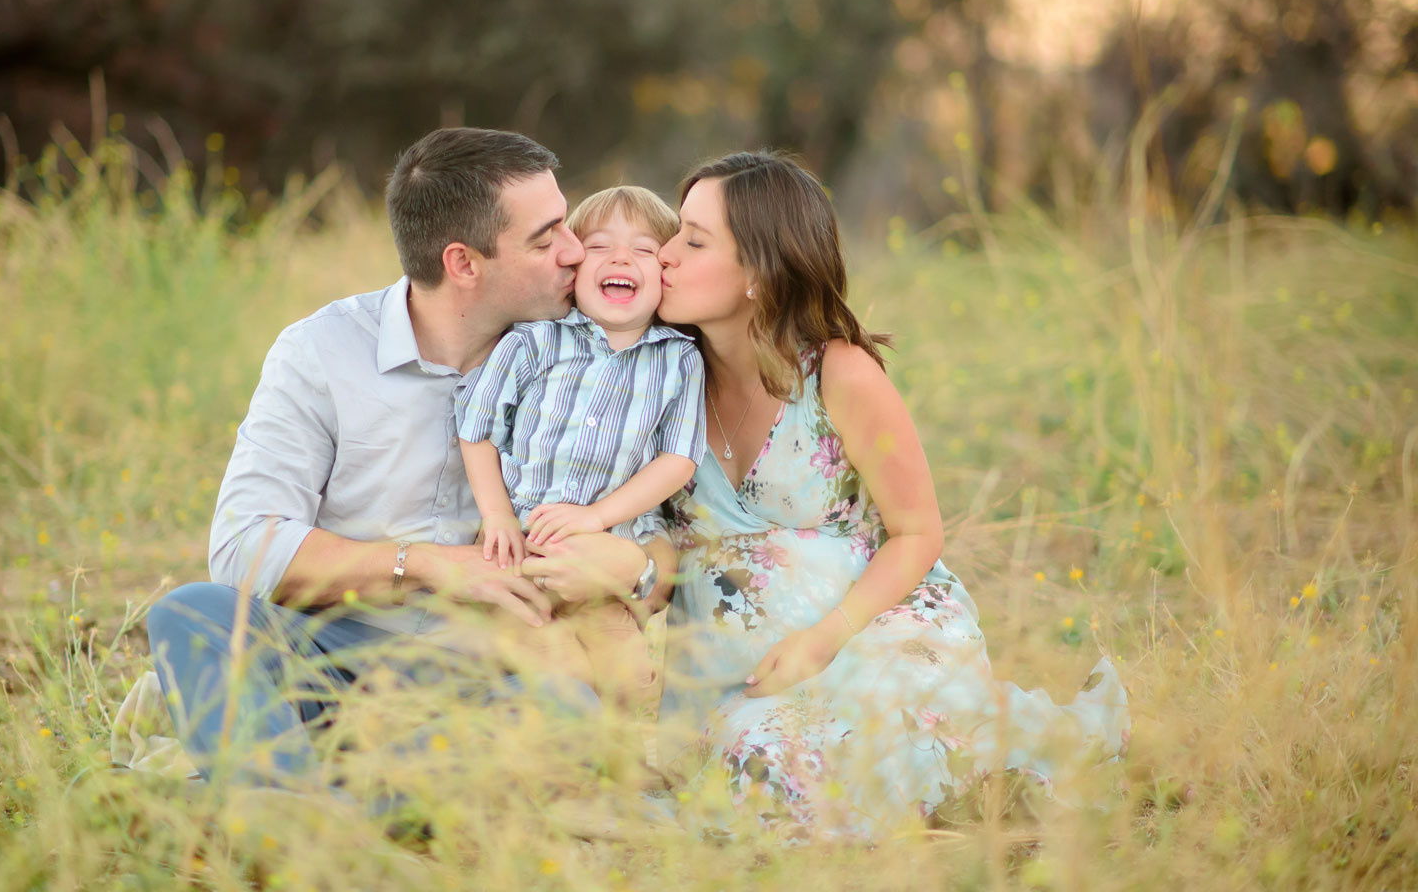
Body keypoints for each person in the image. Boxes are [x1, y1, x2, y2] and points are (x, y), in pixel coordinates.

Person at [145, 128, 674, 792]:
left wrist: (630, 567)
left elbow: (669, 553)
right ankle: (312, 805)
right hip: (331, 662)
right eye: (545, 239)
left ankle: (275, 810)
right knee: (191, 612)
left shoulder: (603, 356)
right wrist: (426, 565)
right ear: (464, 264)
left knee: (563, 717)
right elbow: (245, 550)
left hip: (489, 688)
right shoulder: (322, 351)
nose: (575, 252)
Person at [651, 151, 1130, 842]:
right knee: (741, 769)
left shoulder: (839, 375)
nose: (664, 255)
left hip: (867, 633)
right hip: (733, 674)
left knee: (787, 757)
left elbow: (917, 532)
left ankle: (979, 792)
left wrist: (825, 639)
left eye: (692, 241)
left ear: (758, 271)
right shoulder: (659, 383)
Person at [457, 186, 706, 705]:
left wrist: (598, 518)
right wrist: (498, 515)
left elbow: (678, 457)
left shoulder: (680, 359)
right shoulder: (533, 342)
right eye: (598, 247)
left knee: (630, 677)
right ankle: (568, 772)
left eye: (643, 250)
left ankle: (627, 778)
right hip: (522, 550)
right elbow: (476, 427)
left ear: (664, 274)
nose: (620, 258)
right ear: (573, 267)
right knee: (560, 671)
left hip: (608, 556)